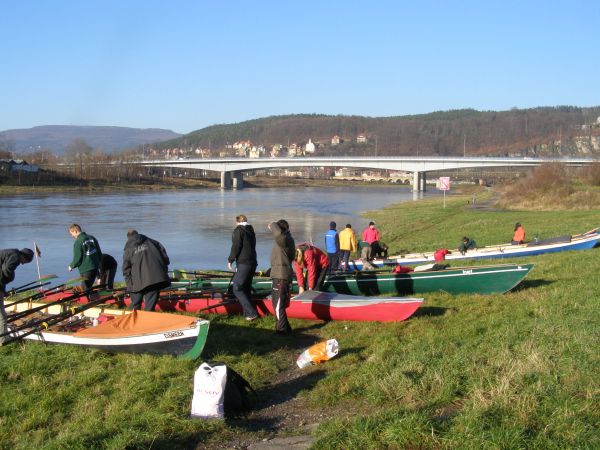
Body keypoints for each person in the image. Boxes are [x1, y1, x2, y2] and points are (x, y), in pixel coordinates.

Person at [122, 230, 171, 311]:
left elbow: (126, 268)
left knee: (136, 303)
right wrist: (163, 270)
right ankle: (147, 318)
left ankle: (134, 318)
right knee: (150, 305)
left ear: (128, 238)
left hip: (138, 280)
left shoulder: (128, 249)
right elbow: (166, 259)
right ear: (137, 234)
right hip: (155, 278)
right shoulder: (153, 242)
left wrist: (129, 284)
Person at [227, 214, 259, 321]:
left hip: (244, 263)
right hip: (253, 262)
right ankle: (247, 315)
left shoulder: (238, 230)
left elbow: (236, 246)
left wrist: (230, 260)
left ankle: (252, 312)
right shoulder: (251, 230)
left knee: (237, 288)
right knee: (246, 288)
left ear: (237, 222)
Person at [0, 248, 34, 344]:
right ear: (24, 257)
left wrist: (3, 290)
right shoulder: (16, 256)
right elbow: (5, 270)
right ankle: (3, 339)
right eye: (25, 262)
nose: (22, 264)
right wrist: (11, 278)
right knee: (2, 315)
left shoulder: (9, 252)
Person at [267, 219, 296, 335]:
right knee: (279, 303)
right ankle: (286, 328)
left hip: (281, 276)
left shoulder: (284, 239)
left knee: (277, 304)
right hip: (280, 273)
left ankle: (281, 330)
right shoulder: (286, 240)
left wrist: (272, 225)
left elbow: (278, 234)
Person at [68, 224, 102, 290]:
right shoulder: (92, 238)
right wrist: (99, 264)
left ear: (75, 231)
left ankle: (92, 299)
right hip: (95, 268)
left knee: (85, 288)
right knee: (89, 287)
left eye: (71, 233)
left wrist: (71, 266)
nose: (72, 236)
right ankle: (94, 298)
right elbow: (99, 253)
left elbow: (78, 257)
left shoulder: (78, 241)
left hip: (86, 269)